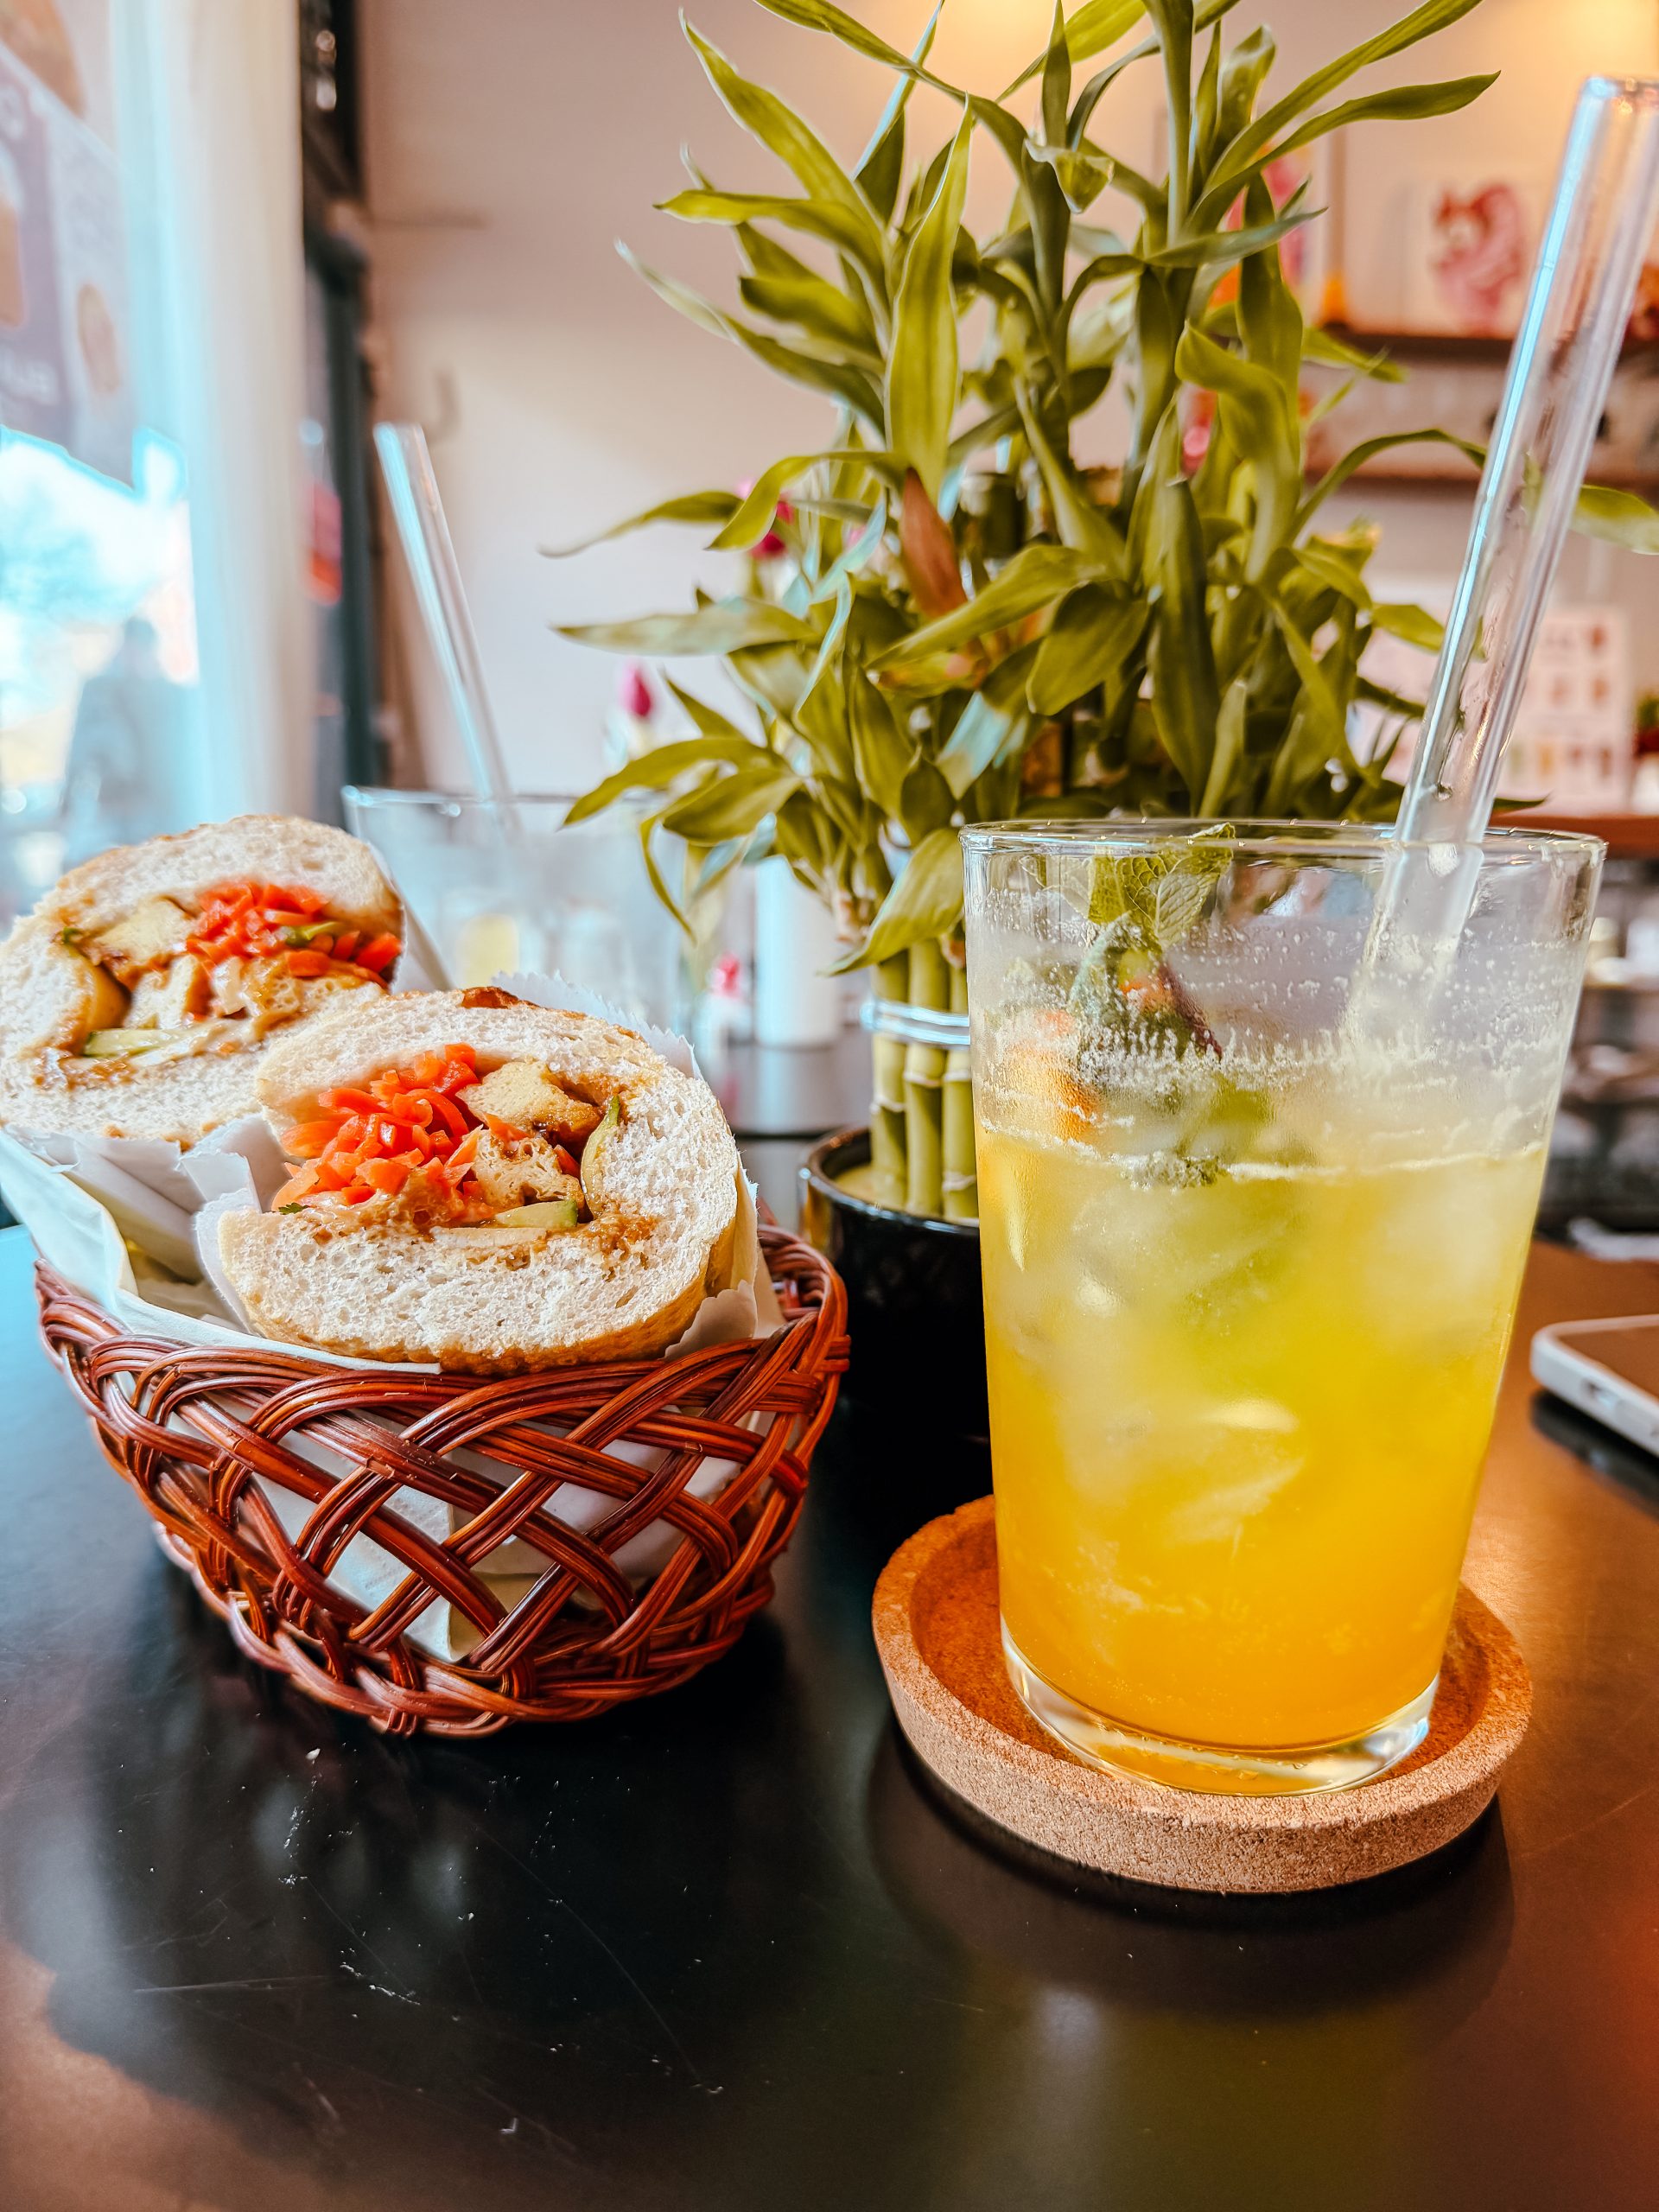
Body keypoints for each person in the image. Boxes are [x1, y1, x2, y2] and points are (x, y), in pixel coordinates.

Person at [60, 616, 185, 863]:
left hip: (157, 804)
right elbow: (80, 747)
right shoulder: (100, 691)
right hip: (112, 803)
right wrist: (66, 803)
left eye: (140, 648)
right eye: (130, 647)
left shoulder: (169, 693)